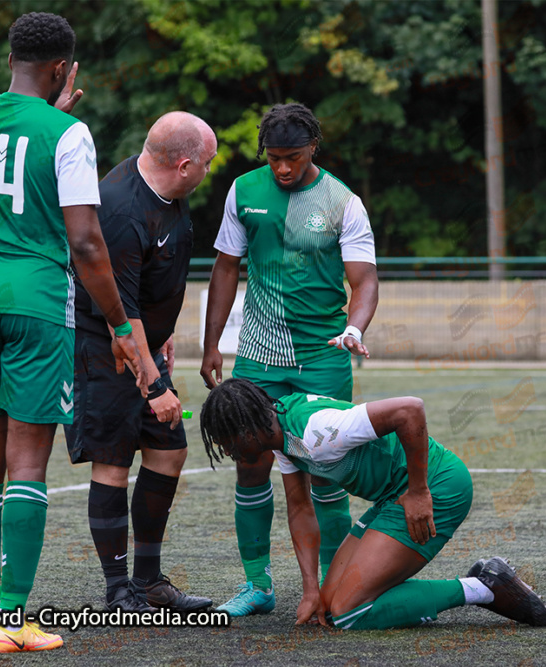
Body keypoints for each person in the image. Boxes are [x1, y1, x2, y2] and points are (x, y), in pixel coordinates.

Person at [0, 12, 146, 653]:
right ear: (63, 68)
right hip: (37, 301)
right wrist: (119, 323)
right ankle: (13, 618)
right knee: (27, 461)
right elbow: (85, 240)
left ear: (13, 58)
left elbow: (3, 158)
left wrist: (46, 113)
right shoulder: (70, 133)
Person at [200, 102, 379, 616]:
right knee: (250, 465)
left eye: (294, 158)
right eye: (275, 157)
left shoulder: (344, 201)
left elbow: (363, 281)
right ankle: (257, 586)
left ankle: (331, 586)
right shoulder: (244, 191)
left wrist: (354, 327)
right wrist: (213, 344)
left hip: (322, 358)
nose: (283, 167)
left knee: (326, 472)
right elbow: (226, 268)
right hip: (256, 359)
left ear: (313, 150)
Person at [199, 378, 546, 630]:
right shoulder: (281, 436)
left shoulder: (317, 431)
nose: (227, 451)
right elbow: (300, 509)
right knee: (332, 604)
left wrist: (418, 491)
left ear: (246, 430)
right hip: (392, 498)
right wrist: (310, 589)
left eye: (226, 440)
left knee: (351, 612)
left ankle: (483, 587)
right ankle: (403, 592)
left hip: (439, 487)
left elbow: (409, 410)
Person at [67, 111, 218, 613]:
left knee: (169, 450)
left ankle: (149, 581)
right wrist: (155, 387)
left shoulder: (168, 194)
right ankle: (117, 591)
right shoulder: (123, 210)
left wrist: (165, 331)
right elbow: (119, 315)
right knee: (113, 461)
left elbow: (155, 279)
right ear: (183, 163)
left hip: (143, 342)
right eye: (207, 162)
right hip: (105, 348)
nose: (209, 171)